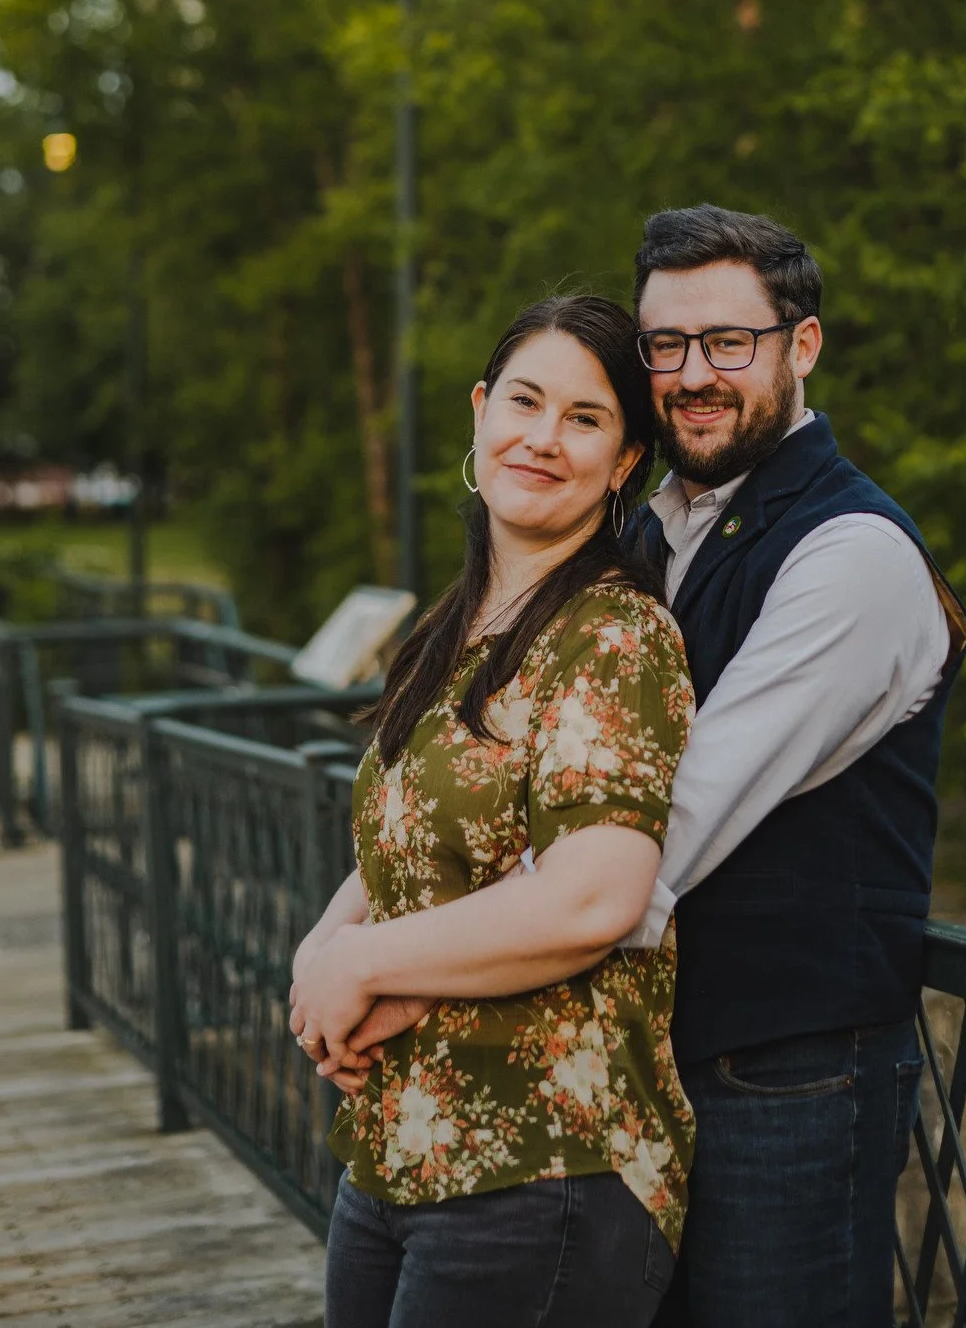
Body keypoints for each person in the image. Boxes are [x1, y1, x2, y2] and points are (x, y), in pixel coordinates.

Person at [289, 295, 696, 1328]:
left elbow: (593, 899)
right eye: (525, 400)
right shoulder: (454, 624)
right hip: (399, 1146)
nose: (543, 438)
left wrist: (366, 964)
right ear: (481, 411)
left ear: (625, 464)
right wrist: (323, 949)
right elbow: (413, 838)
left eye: (585, 418)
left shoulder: (616, 638)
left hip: (543, 1167)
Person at [622, 205, 966, 1328]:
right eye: (665, 346)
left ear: (801, 345)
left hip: (788, 1073)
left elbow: (673, 821)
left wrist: (430, 955)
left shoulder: (853, 551)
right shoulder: (646, 531)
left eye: (730, 341)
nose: (692, 375)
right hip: (643, 1061)